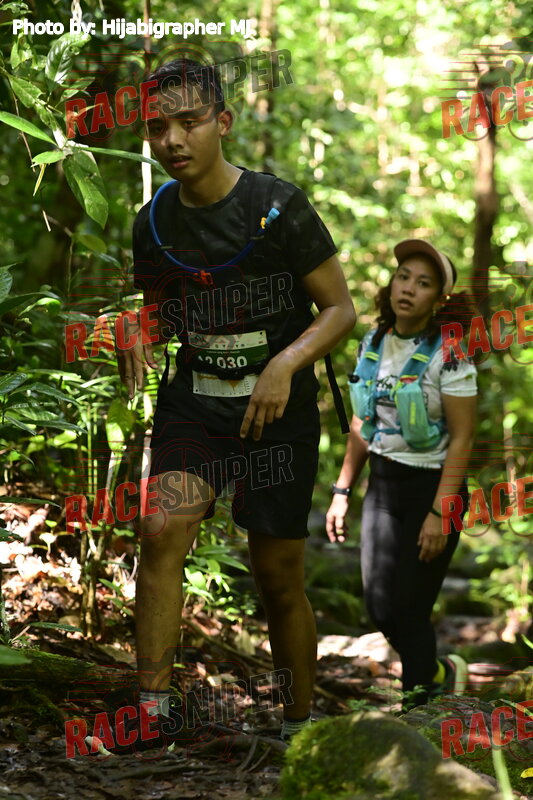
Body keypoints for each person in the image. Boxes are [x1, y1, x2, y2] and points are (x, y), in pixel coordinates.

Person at [106, 58, 355, 753]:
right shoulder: (153, 222)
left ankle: (299, 731)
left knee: (277, 573)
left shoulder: (277, 206)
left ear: (223, 122)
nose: (172, 140)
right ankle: (153, 713)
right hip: (195, 402)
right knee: (160, 528)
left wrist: (284, 364)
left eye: (188, 122)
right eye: (158, 127)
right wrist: (135, 327)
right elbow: (161, 315)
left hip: (277, 411)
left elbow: (340, 309)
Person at [326, 239, 477, 710]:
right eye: (404, 276)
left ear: (439, 299)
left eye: (423, 283)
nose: (408, 288)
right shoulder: (373, 342)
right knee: (379, 606)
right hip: (384, 486)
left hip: (433, 488)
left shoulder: (450, 355)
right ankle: (441, 672)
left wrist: (439, 512)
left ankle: (420, 712)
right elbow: (360, 423)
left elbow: (463, 439)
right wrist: (342, 490)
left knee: (410, 610)